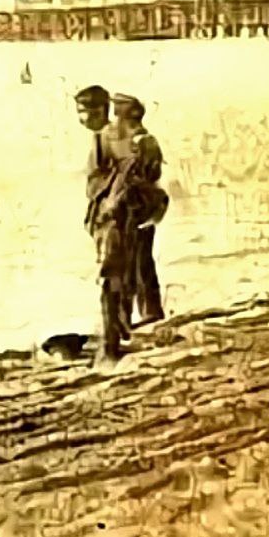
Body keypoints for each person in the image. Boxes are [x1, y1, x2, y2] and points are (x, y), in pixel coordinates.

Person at [75, 86, 166, 363]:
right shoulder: (113, 137)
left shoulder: (119, 138)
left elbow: (131, 175)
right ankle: (127, 327)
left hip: (121, 215)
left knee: (115, 274)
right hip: (122, 214)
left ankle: (112, 342)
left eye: (84, 112)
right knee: (128, 271)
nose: (81, 118)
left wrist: (114, 203)